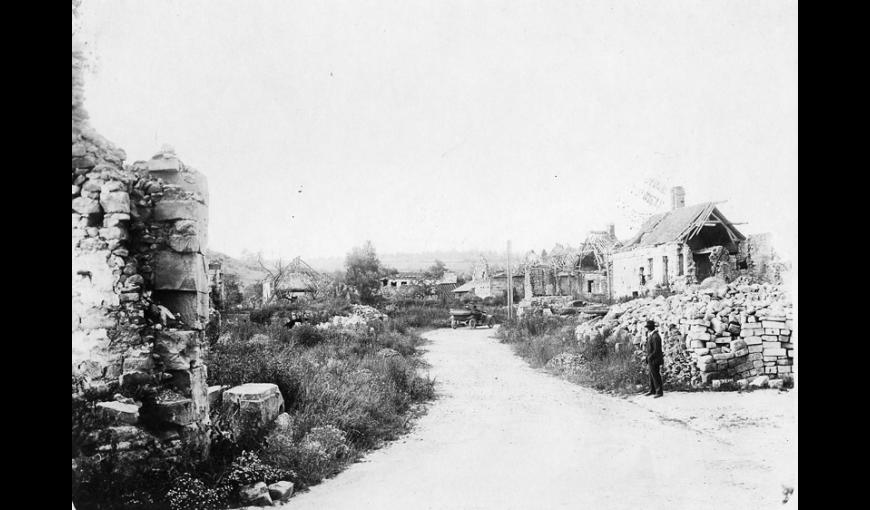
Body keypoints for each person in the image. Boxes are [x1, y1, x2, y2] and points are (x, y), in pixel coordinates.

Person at [644, 320, 664, 398]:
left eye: (648, 327)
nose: (647, 329)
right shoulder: (651, 335)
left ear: (650, 328)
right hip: (652, 359)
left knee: (655, 375)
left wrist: (649, 357)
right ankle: (652, 390)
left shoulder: (655, 336)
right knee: (651, 375)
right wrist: (648, 357)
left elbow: (656, 350)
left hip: (655, 359)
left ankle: (659, 392)